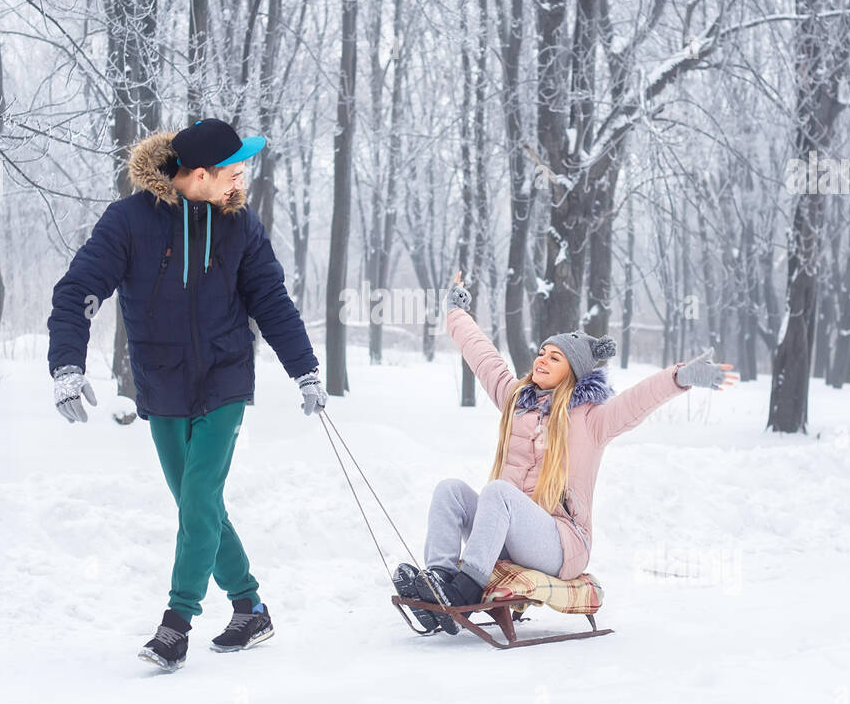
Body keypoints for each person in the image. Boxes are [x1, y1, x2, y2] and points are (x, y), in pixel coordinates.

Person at [47, 118, 327, 671]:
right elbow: (78, 290)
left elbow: (270, 300)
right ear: (200, 174)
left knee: (199, 496)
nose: (241, 181)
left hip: (224, 377)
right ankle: (250, 607)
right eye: (234, 171)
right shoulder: (129, 222)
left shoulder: (239, 225)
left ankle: (177, 625)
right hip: (162, 381)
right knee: (198, 504)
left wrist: (305, 371)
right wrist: (66, 366)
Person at [395, 273, 735, 634]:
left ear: (572, 371)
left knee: (497, 491)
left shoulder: (591, 420)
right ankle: (440, 582)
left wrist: (681, 377)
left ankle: (462, 594)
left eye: (554, 357)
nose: (541, 360)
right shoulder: (516, 402)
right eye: (542, 352)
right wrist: (456, 313)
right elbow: (485, 359)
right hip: (513, 534)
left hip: (562, 542)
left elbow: (638, 400)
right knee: (450, 490)